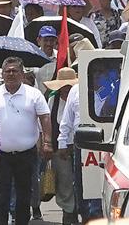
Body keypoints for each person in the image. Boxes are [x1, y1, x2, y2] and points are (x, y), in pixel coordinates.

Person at [0, 56, 52, 225]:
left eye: (15, 71)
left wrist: (47, 142)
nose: (11, 74)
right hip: (0, 154)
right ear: (2, 74)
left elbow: (45, 117)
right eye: (7, 71)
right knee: (1, 194)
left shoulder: (34, 94)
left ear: (22, 74)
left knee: (24, 194)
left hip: (26, 153)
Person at [43, 67, 79, 225]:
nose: (66, 89)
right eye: (63, 87)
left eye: (68, 86)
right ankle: (68, 213)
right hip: (60, 149)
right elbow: (48, 122)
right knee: (64, 183)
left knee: (80, 182)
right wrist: (48, 143)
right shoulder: (53, 100)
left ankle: (78, 211)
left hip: (79, 146)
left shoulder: (80, 97)